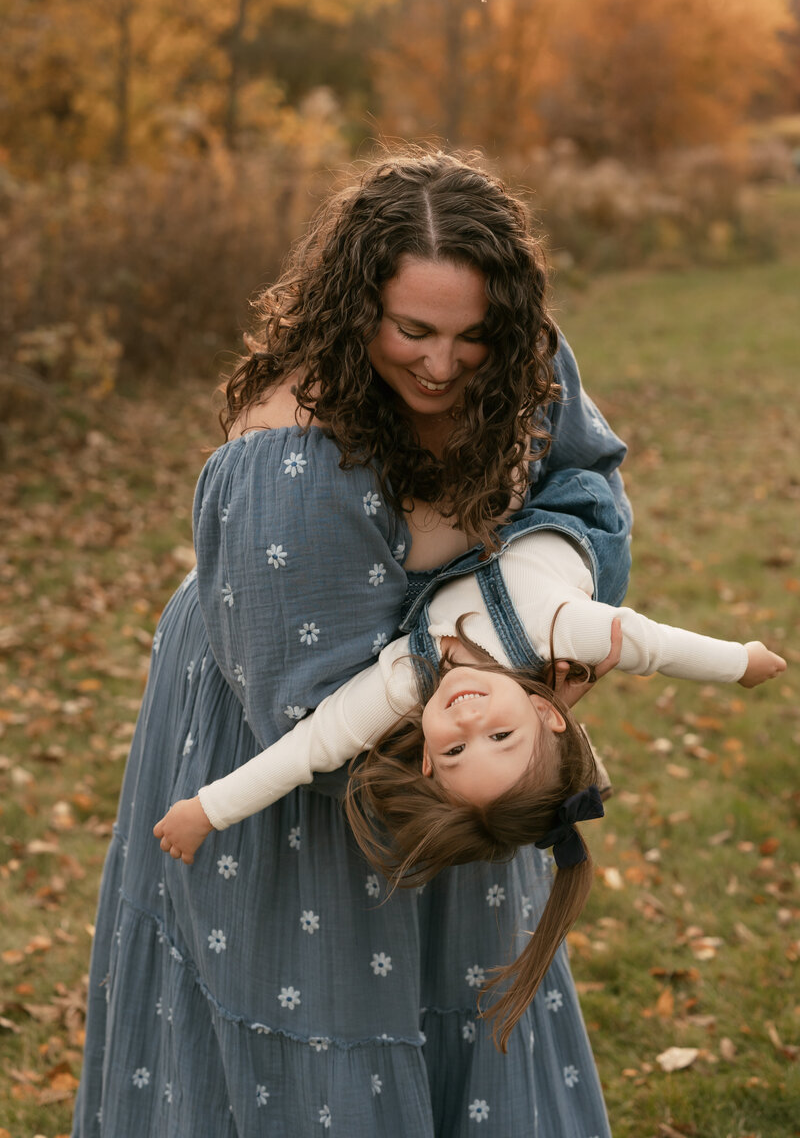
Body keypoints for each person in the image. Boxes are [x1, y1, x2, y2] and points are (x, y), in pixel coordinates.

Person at [74, 150, 635, 1138]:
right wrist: (513, 700)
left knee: (453, 995)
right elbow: (328, 728)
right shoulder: (291, 462)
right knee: (325, 1030)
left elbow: (587, 486)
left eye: (470, 335)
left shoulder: (516, 361)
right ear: (351, 307)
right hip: (299, 763)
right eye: (412, 330)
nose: (440, 362)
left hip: (457, 737)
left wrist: (558, 591)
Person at [153, 506, 786, 1050]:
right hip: (567, 517)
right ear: (547, 710)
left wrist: (208, 809)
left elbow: (309, 749)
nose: (469, 720)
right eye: (501, 737)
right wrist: (742, 662)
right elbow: (650, 644)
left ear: (426, 758)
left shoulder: (405, 680)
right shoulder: (561, 629)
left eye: (454, 752)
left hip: (474, 543)